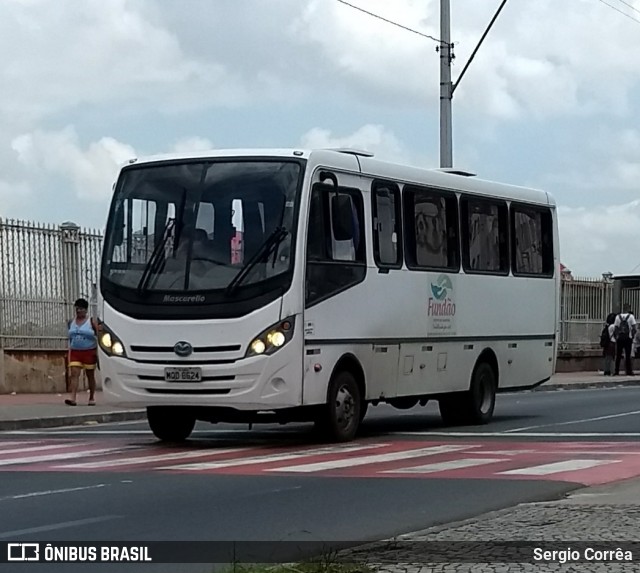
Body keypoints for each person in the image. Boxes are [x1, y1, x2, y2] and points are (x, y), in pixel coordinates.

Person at [66, 298, 99, 406]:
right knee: (74, 374)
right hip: (75, 352)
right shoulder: (71, 321)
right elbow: (70, 336)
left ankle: (91, 397)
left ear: (86, 310)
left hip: (89, 351)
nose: (78, 311)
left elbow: (98, 334)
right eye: (77, 309)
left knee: (90, 375)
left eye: (81, 309)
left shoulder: (91, 321)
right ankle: (73, 398)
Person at [614, 303, 637, 376]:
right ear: (628, 309)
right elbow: (634, 328)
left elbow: (616, 328)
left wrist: (617, 336)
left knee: (618, 355)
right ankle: (629, 371)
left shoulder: (618, 317)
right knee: (627, 355)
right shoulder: (631, 317)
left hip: (620, 338)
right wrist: (632, 336)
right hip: (628, 338)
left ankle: (616, 371)